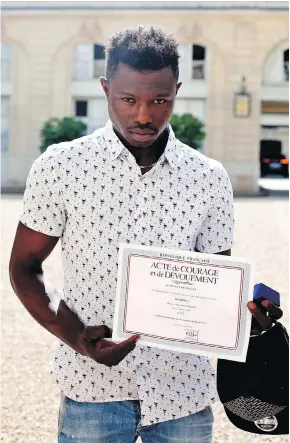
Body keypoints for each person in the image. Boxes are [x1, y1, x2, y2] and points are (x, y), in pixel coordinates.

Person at [9, 25, 283, 443]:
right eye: (128, 99)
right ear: (105, 89)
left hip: (184, 394)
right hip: (92, 391)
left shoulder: (208, 178)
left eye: (159, 100)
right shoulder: (60, 167)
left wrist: (249, 314)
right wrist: (76, 338)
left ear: (176, 89)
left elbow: (215, 285)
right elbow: (24, 266)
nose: (143, 115)